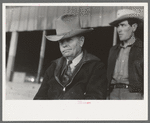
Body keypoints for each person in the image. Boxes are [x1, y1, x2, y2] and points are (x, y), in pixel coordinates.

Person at [34, 14, 107, 100]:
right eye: (61, 41)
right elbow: (39, 99)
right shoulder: (53, 67)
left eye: (69, 39)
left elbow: (94, 100)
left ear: (81, 41)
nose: (64, 45)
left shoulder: (96, 67)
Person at [107, 9, 143, 100]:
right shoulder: (113, 50)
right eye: (118, 26)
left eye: (123, 25)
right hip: (113, 93)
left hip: (134, 94)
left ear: (134, 27)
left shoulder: (143, 49)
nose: (119, 29)